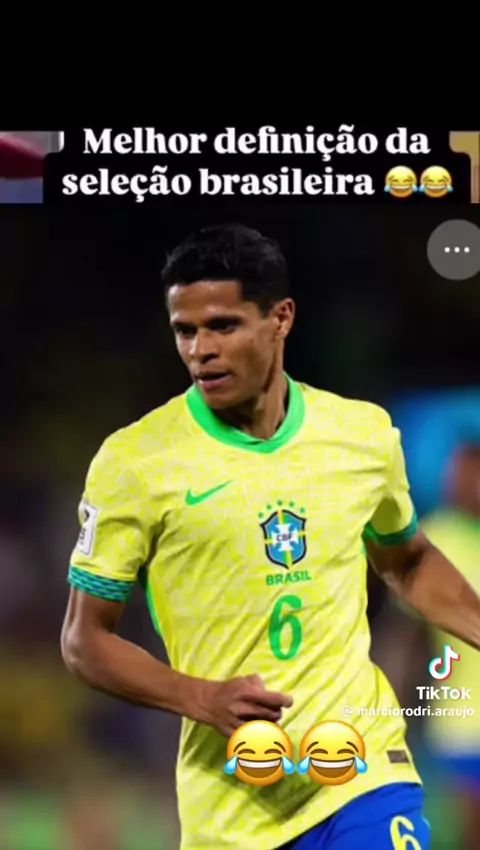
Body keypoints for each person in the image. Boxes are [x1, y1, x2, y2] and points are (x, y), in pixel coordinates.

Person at [61, 223, 480, 850]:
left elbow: (408, 560)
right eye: (185, 330)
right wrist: (201, 697)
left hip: (362, 771)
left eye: (223, 326)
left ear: (280, 318)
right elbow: (84, 641)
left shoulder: (362, 436)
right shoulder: (136, 463)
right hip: (233, 803)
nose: (201, 350)